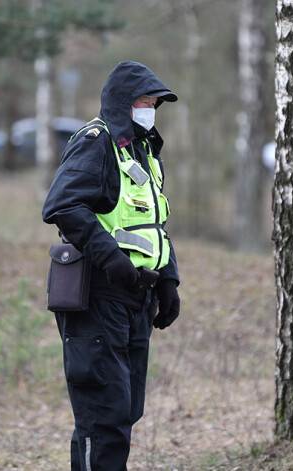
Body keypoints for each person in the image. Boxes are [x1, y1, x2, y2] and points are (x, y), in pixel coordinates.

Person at [42, 60, 181, 471]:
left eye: (155, 102)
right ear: (123, 103)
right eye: (144, 101)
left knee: (125, 411)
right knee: (103, 417)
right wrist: (111, 259)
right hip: (98, 294)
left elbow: (153, 223)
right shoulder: (95, 141)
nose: (150, 108)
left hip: (137, 297)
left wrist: (169, 279)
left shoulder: (142, 150)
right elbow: (62, 205)